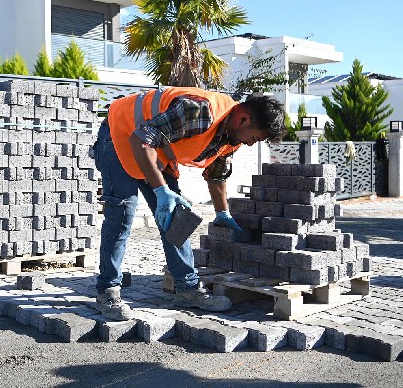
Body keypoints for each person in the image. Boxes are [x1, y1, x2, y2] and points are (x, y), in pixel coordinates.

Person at [93, 87, 285, 320]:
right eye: (255, 138)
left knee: (177, 216)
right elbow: (140, 139)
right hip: (119, 132)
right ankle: (108, 291)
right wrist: (162, 190)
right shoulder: (199, 112)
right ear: (244, 119)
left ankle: (188, 288)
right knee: (121, 214)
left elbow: (216, 174)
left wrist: (222, 213)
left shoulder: (231, 136)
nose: (252, 144)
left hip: (153, 148)